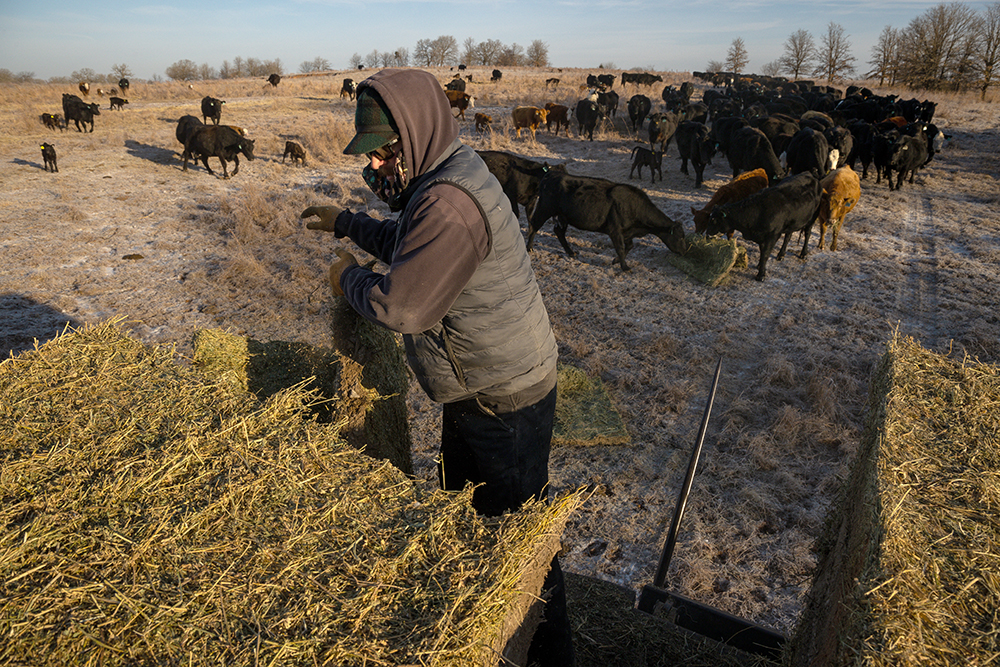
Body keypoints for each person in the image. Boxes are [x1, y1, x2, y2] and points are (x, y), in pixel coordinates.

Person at [300, 68, 574, 666]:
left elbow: (404, 305)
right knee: (474, 526)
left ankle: (548, 655)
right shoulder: (443, 173)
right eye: (367, 158)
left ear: (414, 135)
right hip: (482, 389)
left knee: (518, 551)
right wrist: (347, 223)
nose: (371, 170)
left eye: (380, 156)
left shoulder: (448, 201)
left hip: (503, 401)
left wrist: (346, 277)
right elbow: (409, 241)